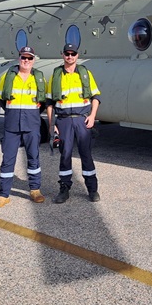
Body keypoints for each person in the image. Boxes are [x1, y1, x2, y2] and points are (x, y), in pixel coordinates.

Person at [0, 46, 47, 208]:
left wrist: (31, 115)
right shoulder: (8, 77)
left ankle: (35, 190)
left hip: (32, 124)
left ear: (33, 60)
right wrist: (14, 113)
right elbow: (1, 99)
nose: (26, 61)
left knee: (33, 158)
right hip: (12, 125)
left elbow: (42, 102)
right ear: (19, 58)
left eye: (29, 58)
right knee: (8, 160)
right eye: (24, 57)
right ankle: (4, 195)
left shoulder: (38, 78)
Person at [46, 43, 101, 203]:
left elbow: (96, 96)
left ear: (77, 55)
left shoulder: (84, 74)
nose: (70, 56)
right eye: (67, 53)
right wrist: (51, 124)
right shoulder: (56, 76)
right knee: (65, 155)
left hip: (82, 120)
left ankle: (92, 189)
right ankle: (64, 188)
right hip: (63, 121)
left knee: (86, 155)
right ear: (62, 54)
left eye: (73, 54)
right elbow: (49, 103)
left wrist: (92, 116)